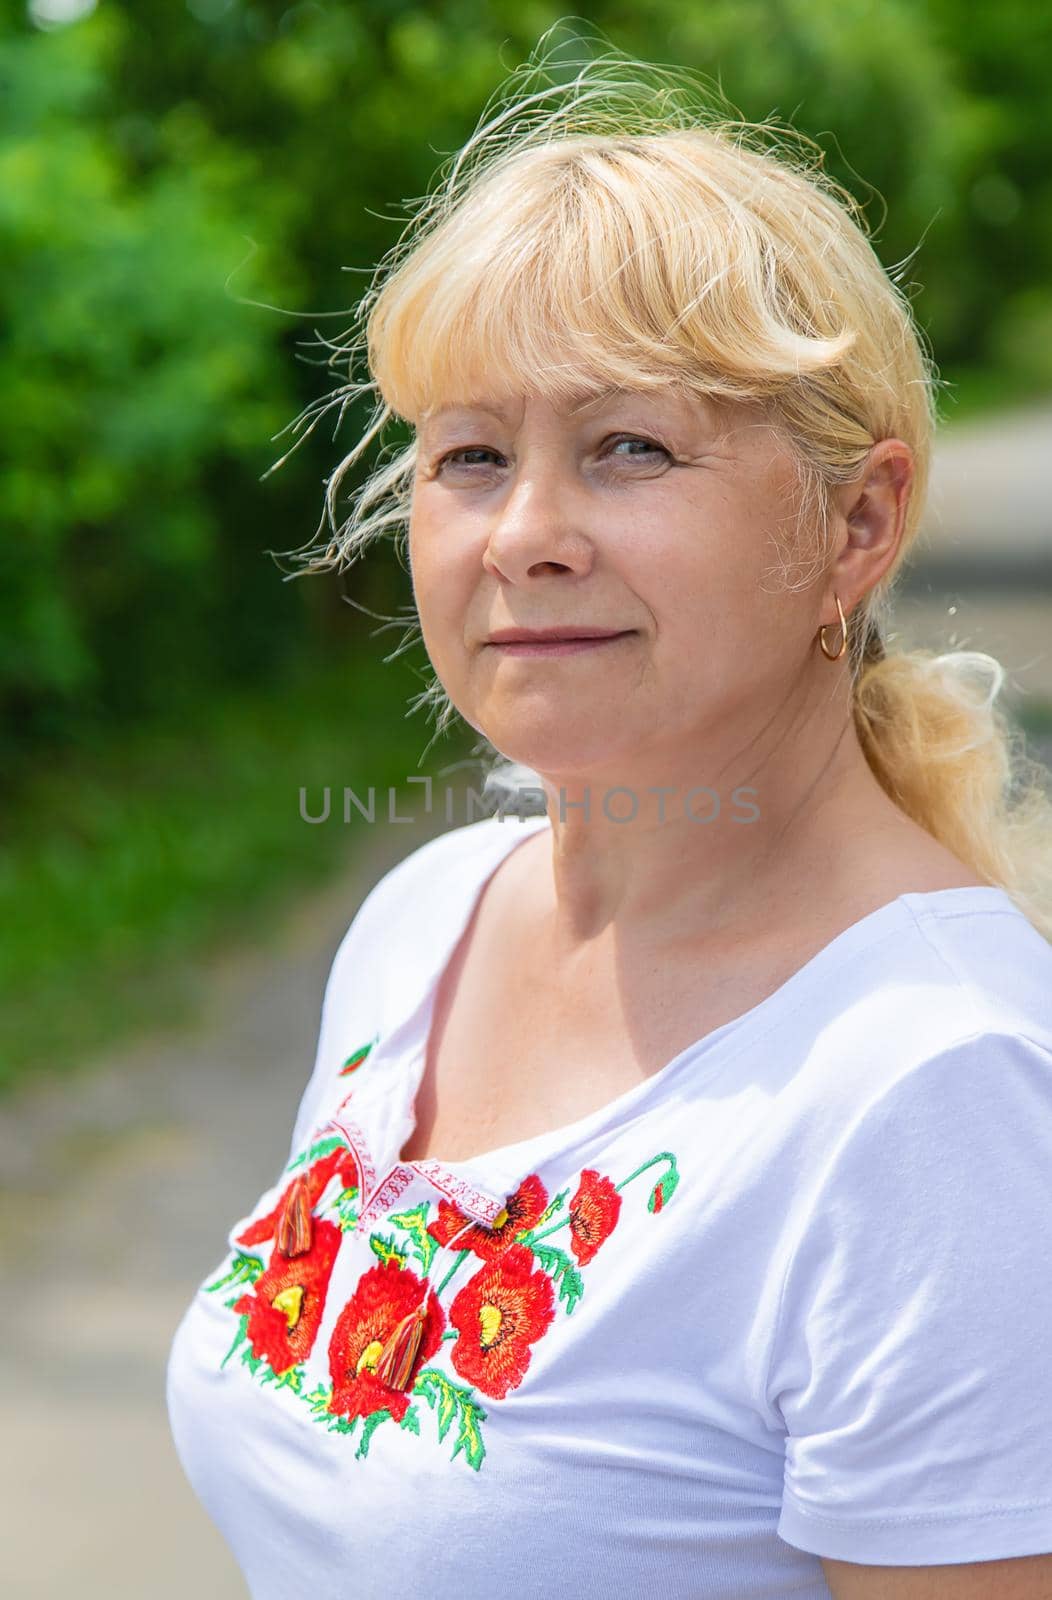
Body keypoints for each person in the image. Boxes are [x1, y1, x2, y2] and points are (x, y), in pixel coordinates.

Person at [166, 32, 1052, 1600]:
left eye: (630, 446)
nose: (526, 535)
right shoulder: (427, 919)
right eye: (472, 455)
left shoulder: (937, 1091)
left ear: (858, 523)